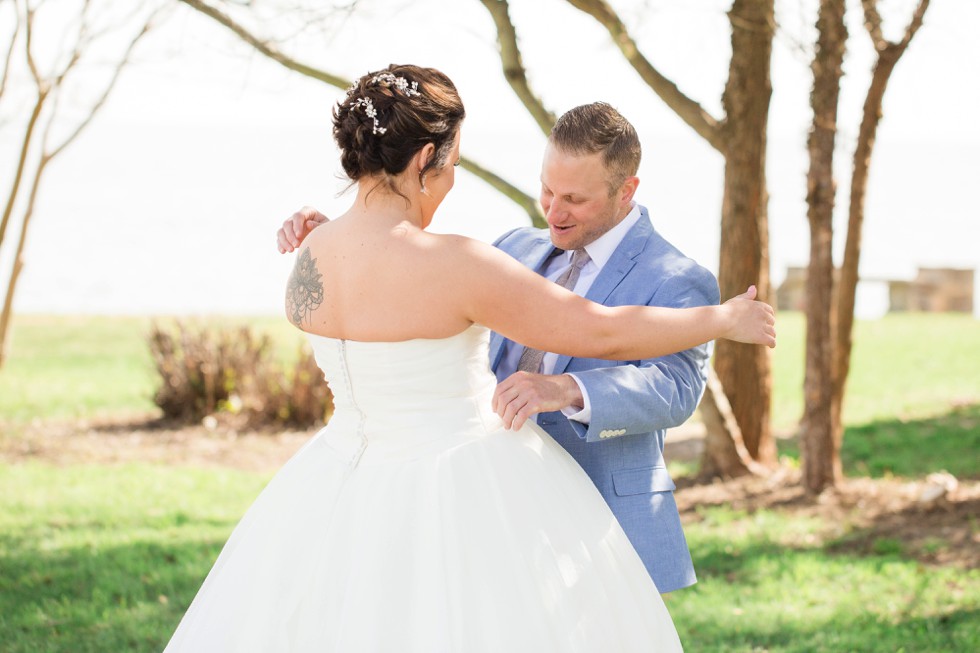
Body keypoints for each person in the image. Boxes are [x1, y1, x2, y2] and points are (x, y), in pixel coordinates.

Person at [166, 64, 774, 652]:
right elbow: (600, 332)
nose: (552, 209)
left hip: (340, 478)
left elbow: (389, 290)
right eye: (452, 164)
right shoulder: (465, 261)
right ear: (425, 162)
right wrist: (724, 318)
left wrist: (349, 238)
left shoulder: (311, 254)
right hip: (470, 485)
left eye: (574, 198)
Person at [278, 103, 718, 594]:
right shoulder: (514, 246)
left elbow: (675, 387)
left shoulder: (679, 279)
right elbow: (425, 279)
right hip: (490, 504)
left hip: (600, 514)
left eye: (573, 198)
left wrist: (570, 390)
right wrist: (341, 234)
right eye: (547, 189)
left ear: (626, 191)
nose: (553, 210)